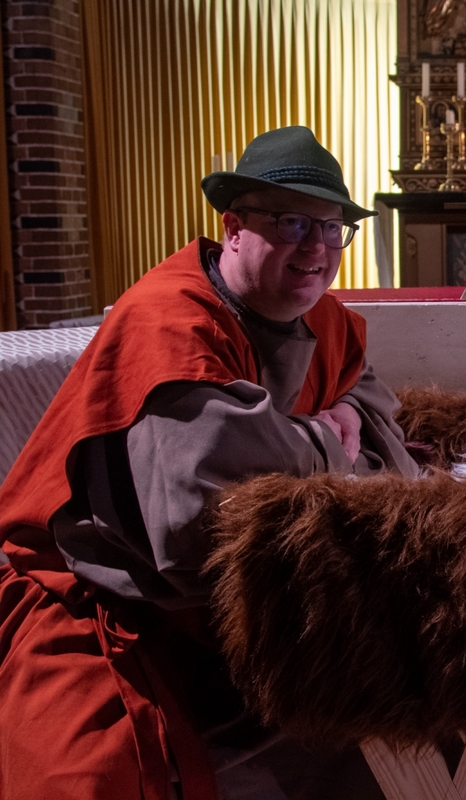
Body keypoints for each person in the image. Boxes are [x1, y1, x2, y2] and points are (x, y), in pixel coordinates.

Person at [0, 126, 419, 799]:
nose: (315, 248)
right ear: (234, 227)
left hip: (258, 606)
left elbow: (388, 450)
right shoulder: (169, 323)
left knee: (394, 713)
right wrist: (322, 441)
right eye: (291, 223)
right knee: (87, 774)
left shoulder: (329, 323)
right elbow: (203, 513)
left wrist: (318, 425)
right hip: (108, 599)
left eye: (331, 228)